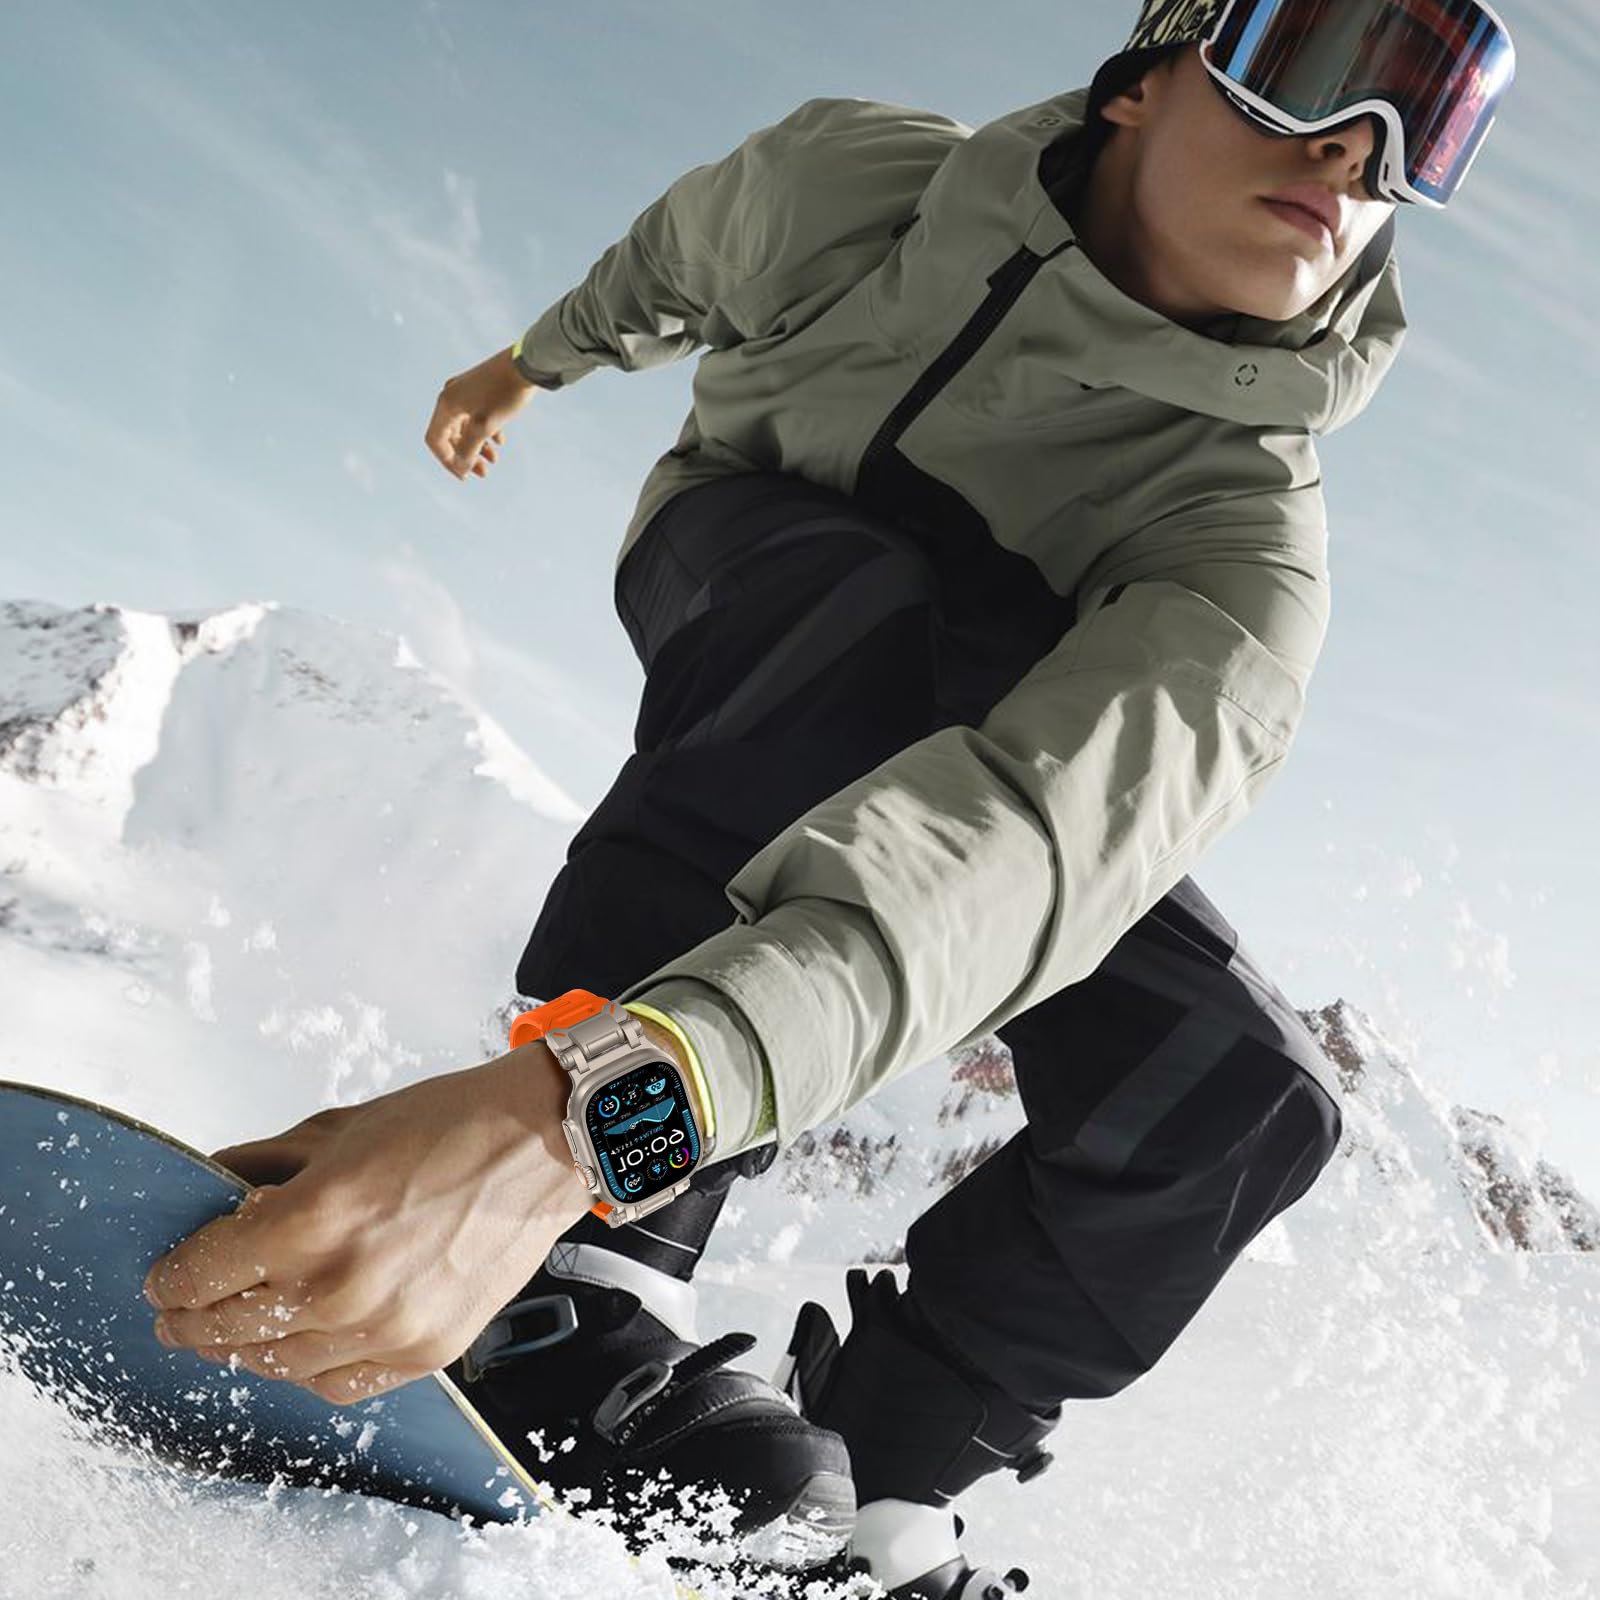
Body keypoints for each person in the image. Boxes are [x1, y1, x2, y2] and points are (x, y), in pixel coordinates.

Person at [141, 2, 1515, 1595]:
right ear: (1147, 78)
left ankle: (893, 1466)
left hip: (971, 742)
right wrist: (527, 366)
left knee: (1241, 1092)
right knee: (859, 619)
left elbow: (1025, 851)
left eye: (1431, 124)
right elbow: (670, 261)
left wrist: (598, 1110)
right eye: (1316, 68)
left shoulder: (1245, 548)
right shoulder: (857, 186)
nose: (1355, 151)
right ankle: (581, 1278)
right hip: (751, 550)